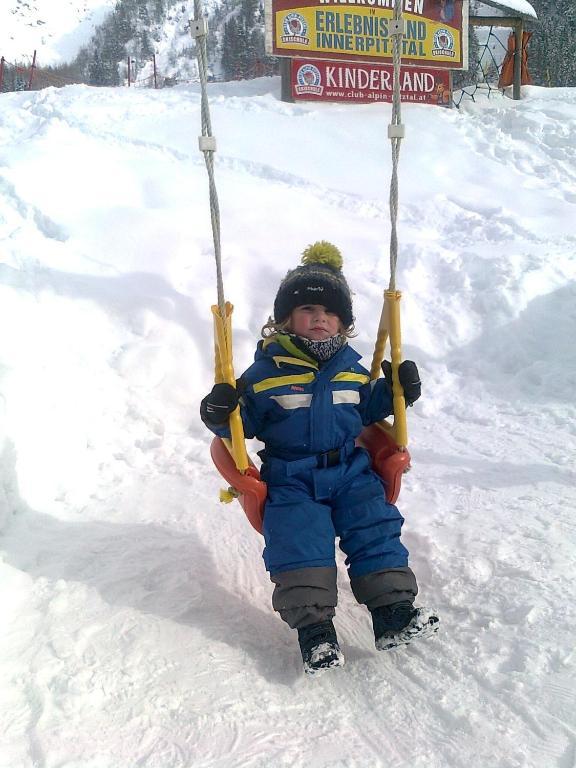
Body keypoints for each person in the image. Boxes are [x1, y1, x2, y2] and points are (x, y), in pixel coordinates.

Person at [200, 242, 439, 675]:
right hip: (292, 477)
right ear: (284, 320)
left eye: (330, 313)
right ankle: (316, 635)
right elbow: (241, 422)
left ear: (343, 325)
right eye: (308, 308)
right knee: (299, 544)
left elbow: (366, 411)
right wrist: (219, 411)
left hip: (351, 470)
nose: (319, 318)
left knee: (375, 528)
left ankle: (393, 615)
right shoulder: (266, 373)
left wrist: (399, 392)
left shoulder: (352, 369)